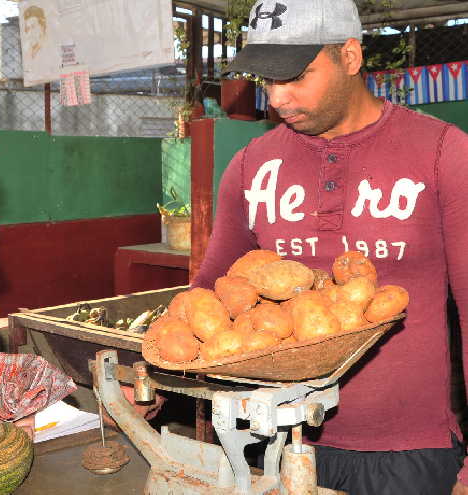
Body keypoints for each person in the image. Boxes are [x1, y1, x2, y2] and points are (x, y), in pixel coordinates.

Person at [194, 0, 468, 493]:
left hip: (405, 451)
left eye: (297, 76)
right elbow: (211, 289)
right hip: (267, 439)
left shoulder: (443, 153)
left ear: (350, 56)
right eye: (267, 80)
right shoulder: (251, 165)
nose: (278, 97)